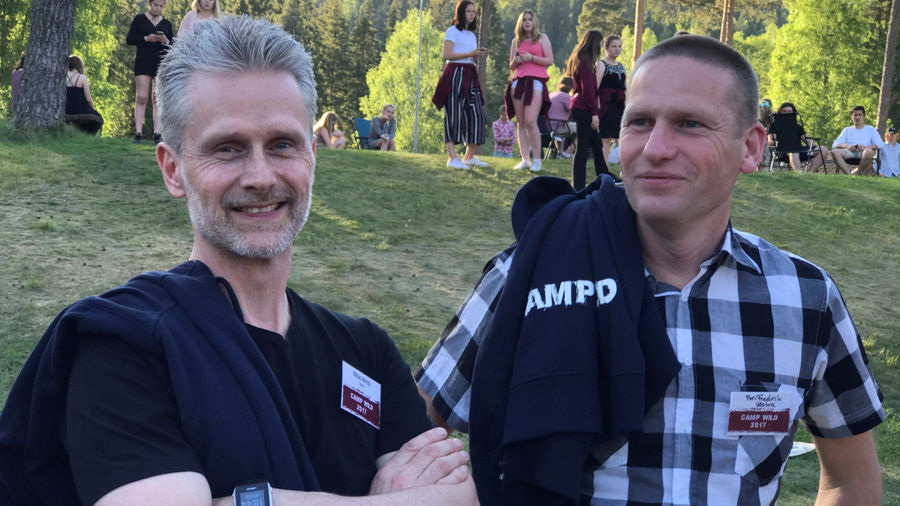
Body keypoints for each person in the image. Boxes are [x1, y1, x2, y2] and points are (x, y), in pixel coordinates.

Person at [0, 15, 477, 506]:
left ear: (312, 156)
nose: (261, 177)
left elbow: (461, 495)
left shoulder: (364, 352)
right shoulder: (125, 344)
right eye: (227, 149)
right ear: (173, 169)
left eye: (282, 145)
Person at [417, 35, 883, 505]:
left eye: (689, 124)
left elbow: (850, 480)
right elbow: (413, 438)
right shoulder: (531, 271)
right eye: (639, 122)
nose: (656, 148)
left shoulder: (806, 299)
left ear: (750, 147)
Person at [432, 0, 488, 170]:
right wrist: (470, 53)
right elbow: (446, 54)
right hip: (455, 73)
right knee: (453, 114)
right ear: (461, 13)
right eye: (468, 11)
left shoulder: (472, 35)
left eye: (473, 11)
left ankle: (468, 157)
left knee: (478, 115)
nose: (472, 14)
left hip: (470, 74)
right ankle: (452, 158)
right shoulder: (452, 31)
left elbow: (471, 59)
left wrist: (475, 56)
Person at [566, 29, 614, 190]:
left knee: (596, 144)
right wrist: (594, 114)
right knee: (583, 147)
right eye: (600, 43)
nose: (601, 46)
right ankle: (578, 185)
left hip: (580, 105)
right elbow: (588, 90)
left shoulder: (579, 57)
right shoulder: (586, 61)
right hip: (584, 108)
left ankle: (605, 175)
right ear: (594, 43)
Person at [505, 10, 552, 172]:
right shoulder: (516, 41)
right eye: (524, 19)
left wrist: (531, 58)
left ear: (534, 22)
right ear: (520, 23)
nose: (527, 22)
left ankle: (537, 159)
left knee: (531, 121)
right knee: (521, 122)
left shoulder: (542, 38)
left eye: (529, 19)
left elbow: (550, 60)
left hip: (536, 81)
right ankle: (525, 159)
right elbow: (512, 66)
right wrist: (517, 60)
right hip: (518, 81)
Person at [126, 0, 173, 145]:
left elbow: (173, 45)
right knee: (142, 96)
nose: (158, 8)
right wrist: (146, 38)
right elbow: (130, 39)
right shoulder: (139, 19)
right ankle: (138, 133)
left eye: (161, 6)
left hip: (161, 63)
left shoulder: (166, 24)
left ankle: (157, 134)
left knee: (157, 98)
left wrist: (165, 40)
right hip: (143, 61)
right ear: (149, 4)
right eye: (155, 5)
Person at [768, 101, 827, 172]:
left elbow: (808, 141)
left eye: (789, 111)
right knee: (793, 150)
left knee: (823, 149)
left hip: (800, 150)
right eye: (784, 111)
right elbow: (771, 141)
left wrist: (814, 146)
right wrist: (781, 142)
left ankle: (809, 173)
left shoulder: (797, 127)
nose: (787, 113)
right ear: (780, 113)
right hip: (782, 151)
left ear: (793, 113)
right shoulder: (774, 126)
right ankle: (799, 174)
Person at [597, 34, 626, 162]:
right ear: (606, 48)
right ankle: (604, 169)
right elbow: (595, 88)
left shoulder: (621, 66)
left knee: (622, 137)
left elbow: (624, 87)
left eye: (619, 46)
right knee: (605, 139)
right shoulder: (601, 64)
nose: (617, 49)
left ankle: (623, 170)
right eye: (614, 46)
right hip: (606, 106)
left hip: (620, 105)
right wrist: (596, 107)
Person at [830, 105, 882, 175]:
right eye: (855, 115)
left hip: (864, 153)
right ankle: (849, 175)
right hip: (850, 152)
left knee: (868, 151)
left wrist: (866, 147)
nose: (857, 117)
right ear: (852, 116)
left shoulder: (871, 129)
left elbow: (880, 144)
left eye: (860, 115)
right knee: (834, 152)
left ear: (863, 117)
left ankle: (858, 173)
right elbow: (834, 144)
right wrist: (847, 146)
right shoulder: (847, 130)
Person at [64, 55, 104, 135]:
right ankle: (87, 136)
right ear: (79, 65)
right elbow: (88, 99)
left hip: (66, 108)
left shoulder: (62, 77)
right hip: (80, 108)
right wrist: (92, 109)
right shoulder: (82, 78)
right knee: (98, 119)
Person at [547, 76, 575, 159]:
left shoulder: (551, 94)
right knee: (583, 129)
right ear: (571, 87)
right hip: (559, 127)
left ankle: (560, 153)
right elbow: (574, 109)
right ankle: (568, 152)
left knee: (561, 124)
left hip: (548, 127)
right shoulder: (567, 97)